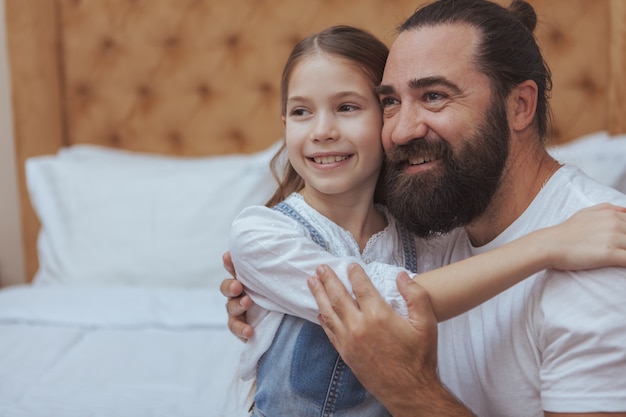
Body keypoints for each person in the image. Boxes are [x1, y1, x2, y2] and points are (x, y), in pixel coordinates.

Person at [225, 14, 626, 417]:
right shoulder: (440, 220)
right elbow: (382, 289)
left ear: (519, 105)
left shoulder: (597, 250)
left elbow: (396, 296)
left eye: (434, 96)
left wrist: (409, 388)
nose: (401, 130)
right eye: (391, 103)